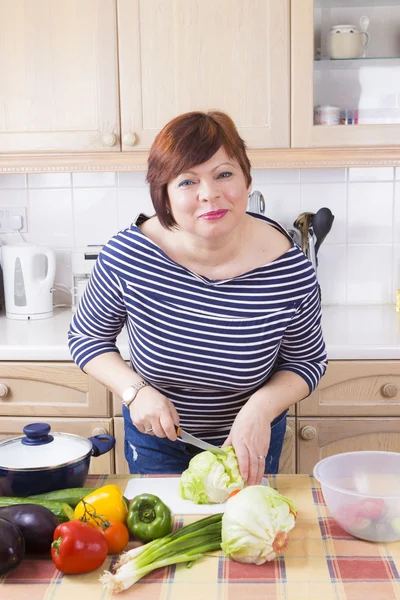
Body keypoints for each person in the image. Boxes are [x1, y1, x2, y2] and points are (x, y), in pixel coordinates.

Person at [68, 110, 327, 486]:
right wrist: (134, 390)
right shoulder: (129, 256)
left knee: (244, 534)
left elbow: (306, 360)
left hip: (249, 434)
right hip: (157, 437)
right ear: (165, 196)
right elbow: (87, 338)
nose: (210, 194)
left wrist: (260, 409)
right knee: (166, 536)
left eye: (224, 173)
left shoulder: (289, 269)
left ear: (247, 178)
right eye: (188, 181)